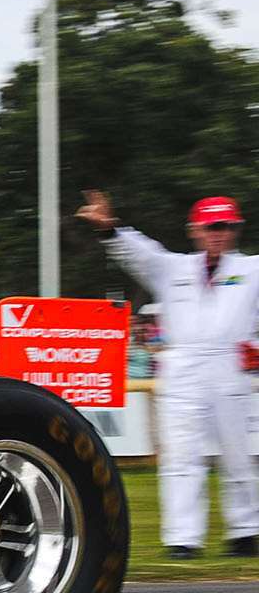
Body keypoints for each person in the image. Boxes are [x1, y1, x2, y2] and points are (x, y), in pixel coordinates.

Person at [82, 188, 259, 558]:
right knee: (181, 457)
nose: (219, 233)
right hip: (182, 369)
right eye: (212, 226)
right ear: (195, 229)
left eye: (226, 226)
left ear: (235, 229)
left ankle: (244, 532)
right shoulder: (174, 267)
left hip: (231, 365)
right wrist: (108, 229)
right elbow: (138, 254)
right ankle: (183, 538)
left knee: (239, 454)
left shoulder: (251, 269)